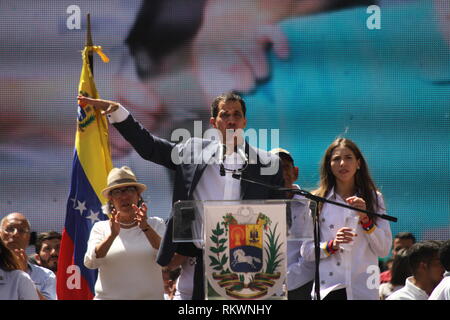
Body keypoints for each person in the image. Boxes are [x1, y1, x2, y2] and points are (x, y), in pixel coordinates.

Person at [78, 92, 285, 300]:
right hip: (202, 262)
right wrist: (119, 114)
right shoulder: (193, 152)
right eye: (225, 114)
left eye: (237, 115)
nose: (231, 120)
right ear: (214, 122)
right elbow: (150, 147)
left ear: (244, 121)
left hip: (252, 264)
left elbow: (283, 218)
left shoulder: (267, 164)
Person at [300, 138, 392, 300]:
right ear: (329, 165)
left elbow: (383, 249)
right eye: (336, 159)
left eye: (348, 157)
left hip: (363, 290)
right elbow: (306, 251)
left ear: (358, 163)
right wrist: (332, 245)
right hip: (329, 289)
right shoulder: (317, 200)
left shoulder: (373, 198)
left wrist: (365, 219)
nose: (342, 163)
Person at [84, 166, 166, 300]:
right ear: (111, 199)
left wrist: (146, 228)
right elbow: (91, 262)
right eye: (117, 192)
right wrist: (112, 236)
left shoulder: (156, 224)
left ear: (138, 195)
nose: (124, 196)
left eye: (129, 190)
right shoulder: (101, 228)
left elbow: (167, 258)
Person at [270, 148, 315, 300]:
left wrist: (283, 281)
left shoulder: (311, 205)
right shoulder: (258, 207)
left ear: (295, 172)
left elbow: (311, 255)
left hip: (302, 287)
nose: (281, 173)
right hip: (265, 288)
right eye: (274, 168)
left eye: (285, 167)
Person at [0, 213, 56, 300]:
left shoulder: (45, 276)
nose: (15, 234)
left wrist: (24, 277)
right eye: (10, 229)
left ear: (28, 238)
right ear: (0, 234)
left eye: (22, 230)